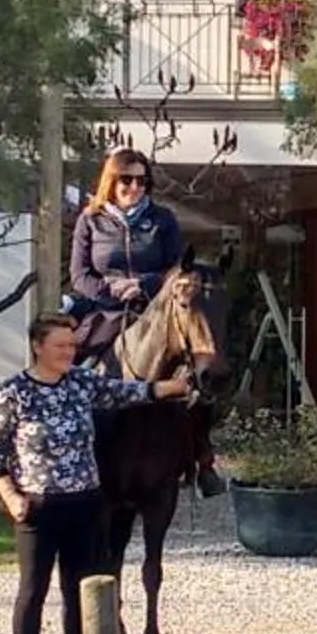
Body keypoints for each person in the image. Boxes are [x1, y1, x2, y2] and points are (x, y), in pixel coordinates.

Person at [0, 315, 192, 634]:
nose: (68, 353)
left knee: (78, 590)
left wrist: (172, 387)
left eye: (71, 346)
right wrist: (10, 495)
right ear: (37, 347)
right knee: (32, 590)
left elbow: (126, 392)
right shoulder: (13, 394)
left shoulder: (82, 383)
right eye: (60, 346)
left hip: (84, 504)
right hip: (37, 506)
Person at [67, 148, 224, 498]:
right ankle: (64, 443)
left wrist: (145, 286)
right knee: (67, 358)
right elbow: (79, 275)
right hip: (103, 309)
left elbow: (176, 267)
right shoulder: (89, 220)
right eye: (127, 179)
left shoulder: (163, 219)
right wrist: (111, 290)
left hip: (157, 307)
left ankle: (203, 458)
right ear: (112, 180)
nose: (135, 187)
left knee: (200, 364)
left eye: (141, 181)